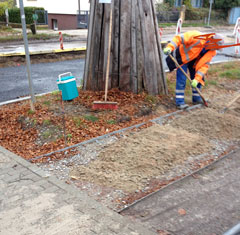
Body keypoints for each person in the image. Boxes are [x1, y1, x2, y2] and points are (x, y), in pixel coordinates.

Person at [163, 31, 224, 109]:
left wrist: (197, 79)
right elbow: (179, 38)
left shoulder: (212, 52)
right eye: (216, 47)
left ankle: (196, 99)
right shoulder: (197, 36)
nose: (215, 49)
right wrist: (170, 47)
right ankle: (180, 102)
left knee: (199, 79)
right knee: (182, 80)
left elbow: (204, 66)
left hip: (195, 62)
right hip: (183, 59)